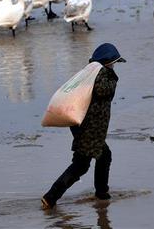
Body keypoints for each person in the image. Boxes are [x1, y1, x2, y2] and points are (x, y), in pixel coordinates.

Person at [42, 43, 126, 209]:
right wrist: (113, 76)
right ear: (108, 62)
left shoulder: (90, 72)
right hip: (90, 128)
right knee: (81, 165)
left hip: (85, 126)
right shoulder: (102, 74)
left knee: (102, 156)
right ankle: (51, 197)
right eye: (113, 63)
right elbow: (103, 91)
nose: (114, 66)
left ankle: (101, 193)